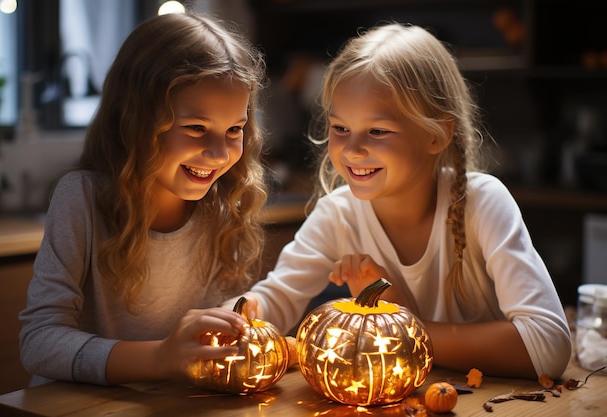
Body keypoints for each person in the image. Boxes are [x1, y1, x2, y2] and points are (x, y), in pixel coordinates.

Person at [226, 22, 571, 379]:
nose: (353, 149)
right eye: (340, 128)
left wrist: (402, 325)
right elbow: (277, 298)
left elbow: (548, 347)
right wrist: (237, 315)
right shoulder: (337, 214)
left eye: (377, 131)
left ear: (437, 135)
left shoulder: (483, 203)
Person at [19, 11, 268, 386]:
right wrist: (161, 357)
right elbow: (39, 343)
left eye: (234, 129)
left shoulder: (220, 207)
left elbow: (203, 343)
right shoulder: (82, 198)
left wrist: (230, 320)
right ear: (135, 120)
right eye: (196, 128)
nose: (219, 154)